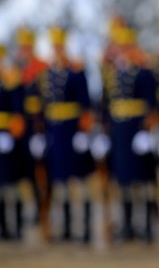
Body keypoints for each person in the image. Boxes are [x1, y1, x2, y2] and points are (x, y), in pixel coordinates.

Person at [103, 25, 159, 242]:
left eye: (125, 46)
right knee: (123, 179)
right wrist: (102, 130)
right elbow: (107, 103)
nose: (122, 50)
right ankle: (126, 224)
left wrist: (147, 130)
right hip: (119, 130)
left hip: (137, 129)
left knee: (143, 178)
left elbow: (152, 102)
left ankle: (146, 225)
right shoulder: (112, 73)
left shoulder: (143, 72)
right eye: (119, 46)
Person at [40, 27, 94, 242]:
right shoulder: (47, 76)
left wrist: (83, 132)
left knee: (79, 180)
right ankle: (66, 227)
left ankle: (86, 228)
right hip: (56, 133)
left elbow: (85, 104)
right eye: (55, 47)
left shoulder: (76, 74)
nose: (58, 51)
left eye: (60, 47)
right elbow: (45, 107)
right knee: (59, 181)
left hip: (73, 132)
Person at [13, 28, 47, 239]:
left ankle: (43, 209)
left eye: (27, 46)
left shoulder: (40, 67)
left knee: (42, 173)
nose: (24, 50)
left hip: (39, 124)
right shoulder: (16, 69)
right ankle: (31, 208)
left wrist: (41, 127)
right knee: (24, 172)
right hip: (22, 127)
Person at [0, 44, 26, 240]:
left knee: (13, 185)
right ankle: (3, 229)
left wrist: (11, 133)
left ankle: (17, 226)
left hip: (8, 137)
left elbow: (18, 110)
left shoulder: (11, 81)